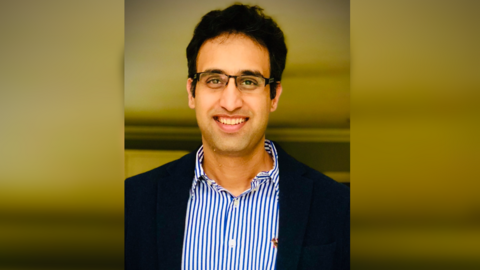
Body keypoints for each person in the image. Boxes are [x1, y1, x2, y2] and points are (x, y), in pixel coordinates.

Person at [125, 4, 349, 270]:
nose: (230, 102)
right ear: (191, 91)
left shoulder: (340, 208)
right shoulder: (131, 203)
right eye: (214, 80)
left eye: (248, 81)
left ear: (274, 95)